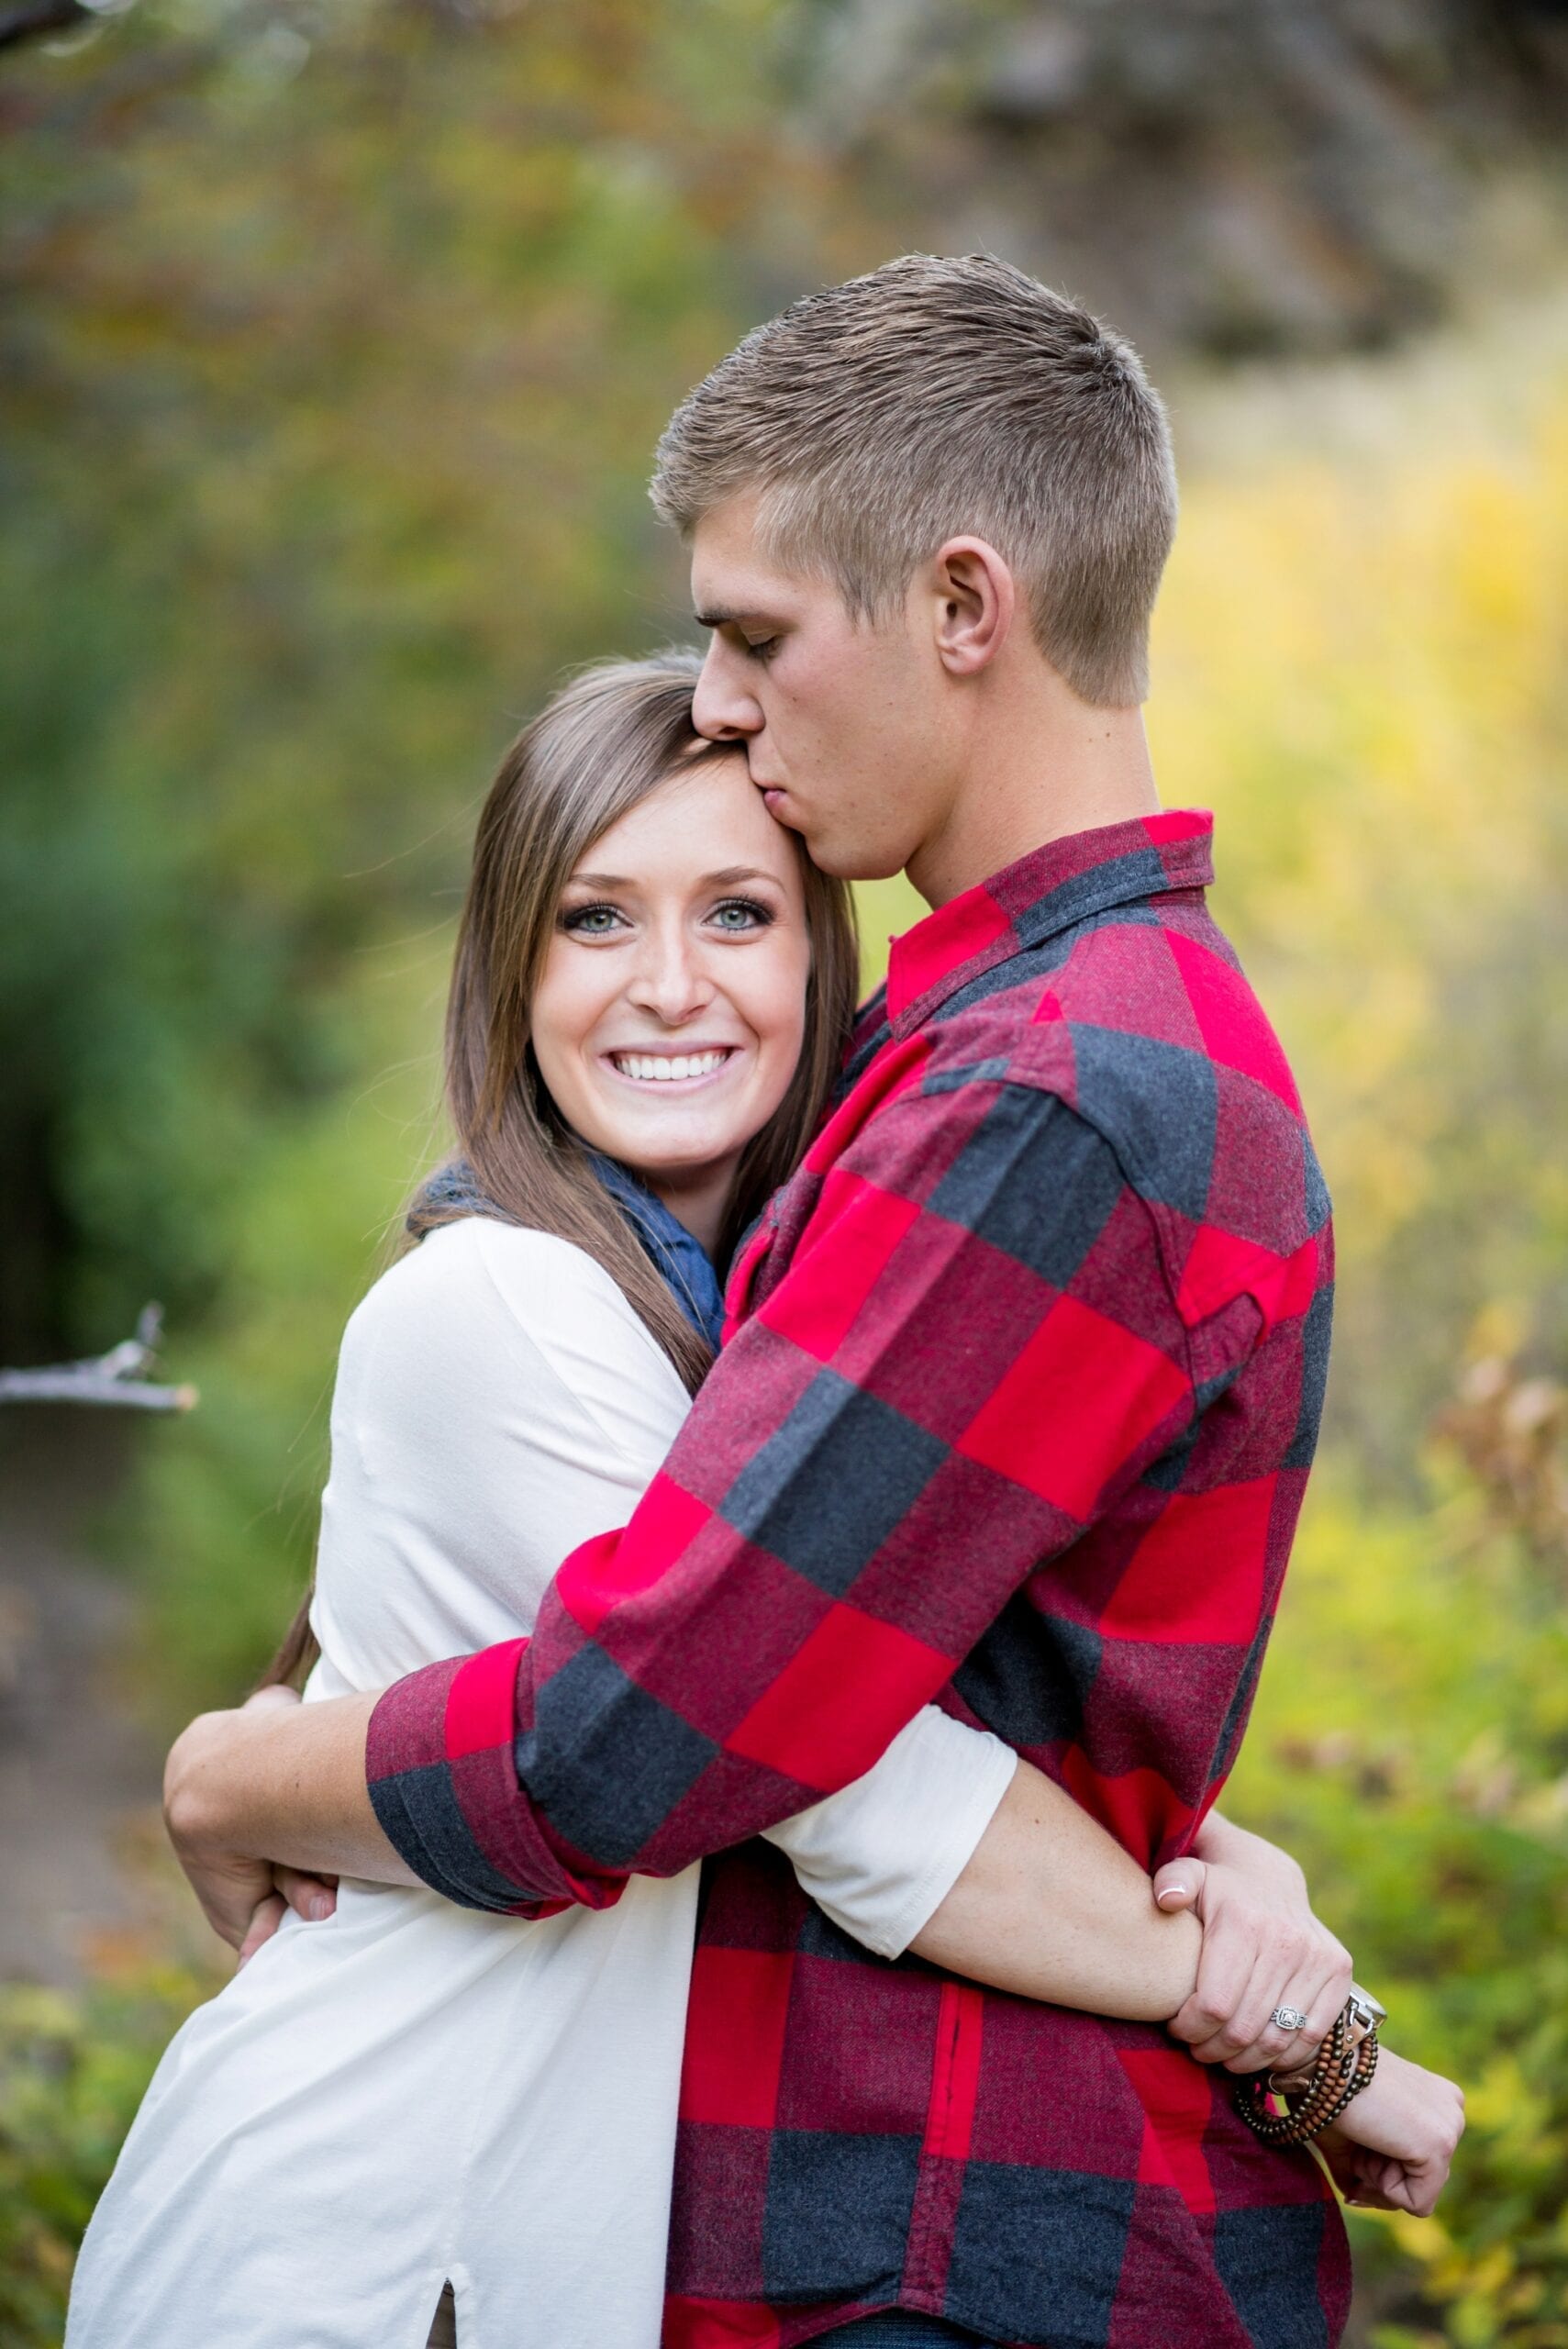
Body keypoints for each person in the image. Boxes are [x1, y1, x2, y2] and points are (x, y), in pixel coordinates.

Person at [163, 259, 1464, 2347]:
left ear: (966, 608)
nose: (727, 701)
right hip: (860, 2213)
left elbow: (651, 1724)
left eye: (759, 635)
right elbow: (915, 1652)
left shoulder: (1055, 1096)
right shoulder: (971, 1063)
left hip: (954, 2238)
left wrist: (240, 1775)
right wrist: (1214, 1882)